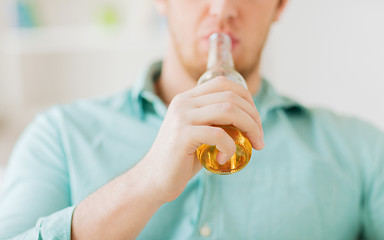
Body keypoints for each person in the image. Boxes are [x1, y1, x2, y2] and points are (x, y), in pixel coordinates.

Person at [0, 0, 383, 239]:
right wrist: (146, 182)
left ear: (281, 4)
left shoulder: (361, 152)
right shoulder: (59, 136)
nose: (221, 8)